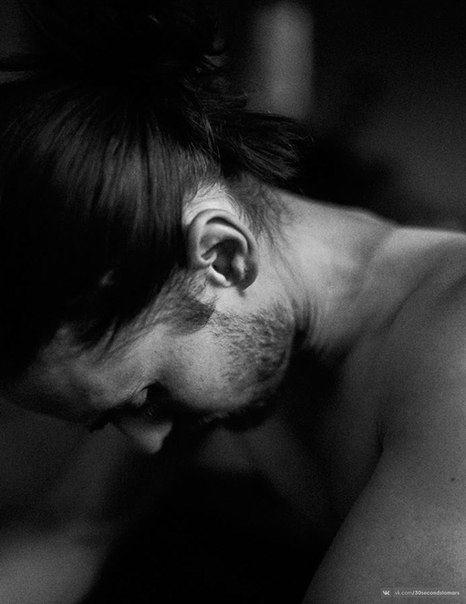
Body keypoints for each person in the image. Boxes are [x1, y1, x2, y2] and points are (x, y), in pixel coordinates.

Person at [1, 0, 466, 602]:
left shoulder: (453, 346)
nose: (150, 440)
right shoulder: (228, 335)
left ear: (223, 256)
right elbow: (70, 536)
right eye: (113, 416)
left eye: (146, 397)